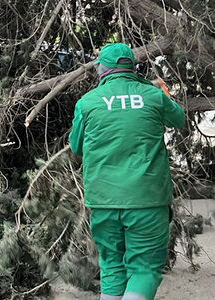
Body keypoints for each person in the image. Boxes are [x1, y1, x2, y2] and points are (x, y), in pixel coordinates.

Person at [69, 43, 185, 300]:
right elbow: (180, 120)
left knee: (111, 265)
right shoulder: (153, 96)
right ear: (133, 68)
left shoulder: (87, 103)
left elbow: (76, 146)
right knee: (144, 269)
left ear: (102, 69)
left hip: (103, 201)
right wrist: (163, 90)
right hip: (147, 199)